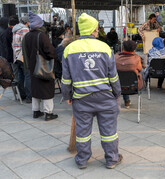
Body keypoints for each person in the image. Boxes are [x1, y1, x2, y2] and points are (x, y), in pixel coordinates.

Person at [61, 13, 122, 169]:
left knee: (83, 132)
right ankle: (111, 159)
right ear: (93, 29)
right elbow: (113, 76)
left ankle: (82, 160)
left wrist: (67, 95)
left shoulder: (69, 49)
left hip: (81, 99)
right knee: (109, 131)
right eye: (96, 28)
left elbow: (66, 79)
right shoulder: (105, 48)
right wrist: (117, 93)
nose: (97, 31)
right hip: (105, 98)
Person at [22, 12, 58, 120]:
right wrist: (54, 58)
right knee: (46, 89)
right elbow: (50, 52)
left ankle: (36, 111)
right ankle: (48, 113)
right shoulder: (42, 36)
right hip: (43, 66)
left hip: (32, 66)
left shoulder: (27, 36)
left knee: (36, 89)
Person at [115, 40, 142, 108]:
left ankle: (125, 100)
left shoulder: (115, 57)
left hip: (117, 85)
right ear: (134, 49)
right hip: (133, 86)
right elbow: (140, 69)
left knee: (123, 76)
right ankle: (127, 101)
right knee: (130, 76)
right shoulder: (136, 58)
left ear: (123, 47)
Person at [12, 16, 32, 103]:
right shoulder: (25, 30)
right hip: (23, 56)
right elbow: (26, 43)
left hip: (16, 55)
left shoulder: (15, 29)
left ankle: (22, 94)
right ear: (27, 22)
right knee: (28, 75)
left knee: (21, 76)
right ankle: (29, 96)